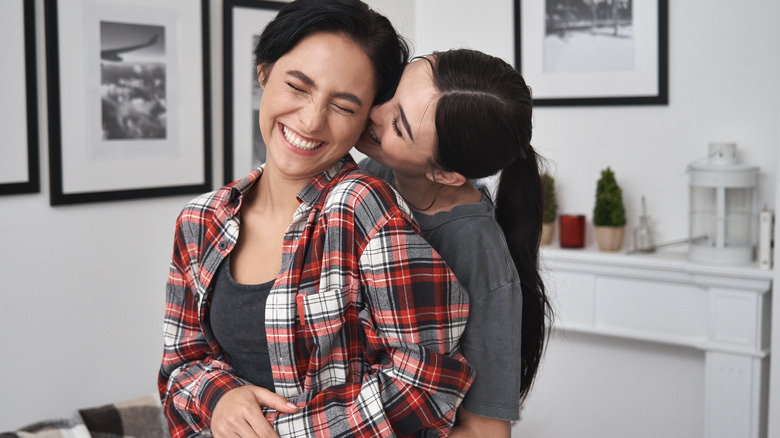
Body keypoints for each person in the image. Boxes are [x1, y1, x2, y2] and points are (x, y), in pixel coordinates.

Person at [158, 2, 474, 437]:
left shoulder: (360, 207)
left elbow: (426, 382)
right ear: (264, 72)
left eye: (343, 107)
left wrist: (284, 433)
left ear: (366, 122)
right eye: (298, 86)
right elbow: (180, 365)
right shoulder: (200, 221)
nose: (310, 120)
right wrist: (220, 399)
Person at [357, 48, 553, 437]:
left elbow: (486, 432)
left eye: (399, 125)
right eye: (394, 89)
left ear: (446, 174)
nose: (375, 110)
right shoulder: (374, 175)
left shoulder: (481, 260)